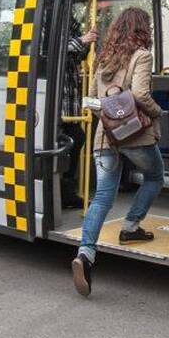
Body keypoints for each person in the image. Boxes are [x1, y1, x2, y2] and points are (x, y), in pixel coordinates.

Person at [71, 7, 163, 297]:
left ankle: (85, 255)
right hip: (136, 136)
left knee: (102, 197)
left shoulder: (104, 59)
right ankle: (131, 226)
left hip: (106, 136)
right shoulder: (142, 56)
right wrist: (159, 112)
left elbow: (99, 101)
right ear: (142, 29)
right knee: (155, 177)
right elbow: (140, 95)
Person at [60, 17, 97, 209]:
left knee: (77, 139)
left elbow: (78, 55)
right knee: (72, 141)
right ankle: (63, 192)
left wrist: (88, 42)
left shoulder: (70, 29)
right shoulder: (53, 26)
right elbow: (55, 51)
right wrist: (82, 39)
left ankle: (66, 192)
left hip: (70, 105)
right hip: (58, 105)